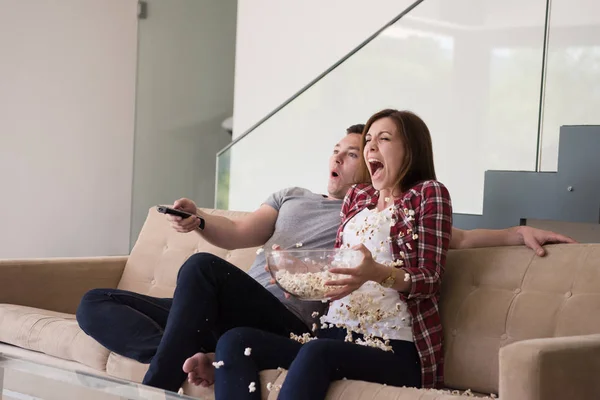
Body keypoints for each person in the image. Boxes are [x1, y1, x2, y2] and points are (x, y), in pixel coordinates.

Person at [76, 123, 575, 394]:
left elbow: (446, 243)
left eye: (359, 150)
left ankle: (162, 381)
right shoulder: (311, 199)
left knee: (207, 279)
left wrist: (515, 233)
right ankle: (191, 346)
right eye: (342, 148)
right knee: (96, 303)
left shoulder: (416, 199)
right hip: (246, 312)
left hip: (327, 328)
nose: (341, 157)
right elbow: (238, 232)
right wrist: (200, 220)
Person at [211, 109, 451, 399]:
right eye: (369, 140)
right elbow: (338, 268)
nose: (371, 147)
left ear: (411, 149)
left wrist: (377, 273)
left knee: (317, 352)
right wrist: (301, 274)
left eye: (384, 139)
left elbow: (430, 279)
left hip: (392, 345)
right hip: (332, 333)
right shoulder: (357, 197)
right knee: (234, 341)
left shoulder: (428, 194)